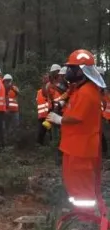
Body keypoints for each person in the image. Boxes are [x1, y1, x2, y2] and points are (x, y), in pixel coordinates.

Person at [45, 49, 105, 212]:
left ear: (82, 71)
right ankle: (78, 213)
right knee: (73, 181)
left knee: (81, 184)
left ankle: (86, 219)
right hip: (73, 146)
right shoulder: (78, 89)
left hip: (82, 148)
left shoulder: (87, 92)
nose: (69, 72)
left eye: (72, 68)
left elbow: (78, 117)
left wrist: (59, 120)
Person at [36, 77, 53, 145]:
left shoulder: (51, 91)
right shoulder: (39, 92)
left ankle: (53, 146)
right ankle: (39, 146)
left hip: (49, 116)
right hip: (42, 116)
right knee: (40, 133)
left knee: (51, 133)